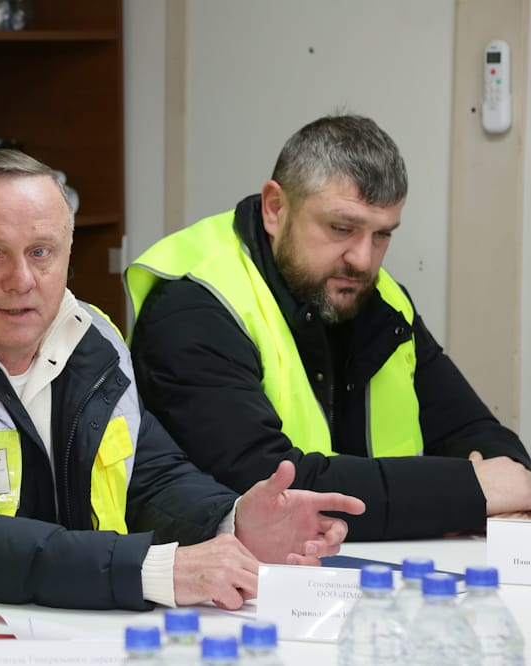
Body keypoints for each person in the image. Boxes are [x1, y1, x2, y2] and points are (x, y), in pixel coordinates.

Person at [0, 148, 365, 612]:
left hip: (85, 630)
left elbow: (150, 474)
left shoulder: (92, 338)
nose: (21, 280)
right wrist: (149, 570)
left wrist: (231, 521)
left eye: (41, 252)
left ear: (68, 256)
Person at [127, 114, 531, 542]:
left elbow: (474, 432)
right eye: (342, 228)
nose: (363, 259)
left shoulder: (378, 298)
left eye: (382, 235)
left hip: (371, 567)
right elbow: (273, 490)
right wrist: (466, 493)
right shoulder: (193, 308)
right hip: (239, 576)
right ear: (275, 208)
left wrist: (509, 493)